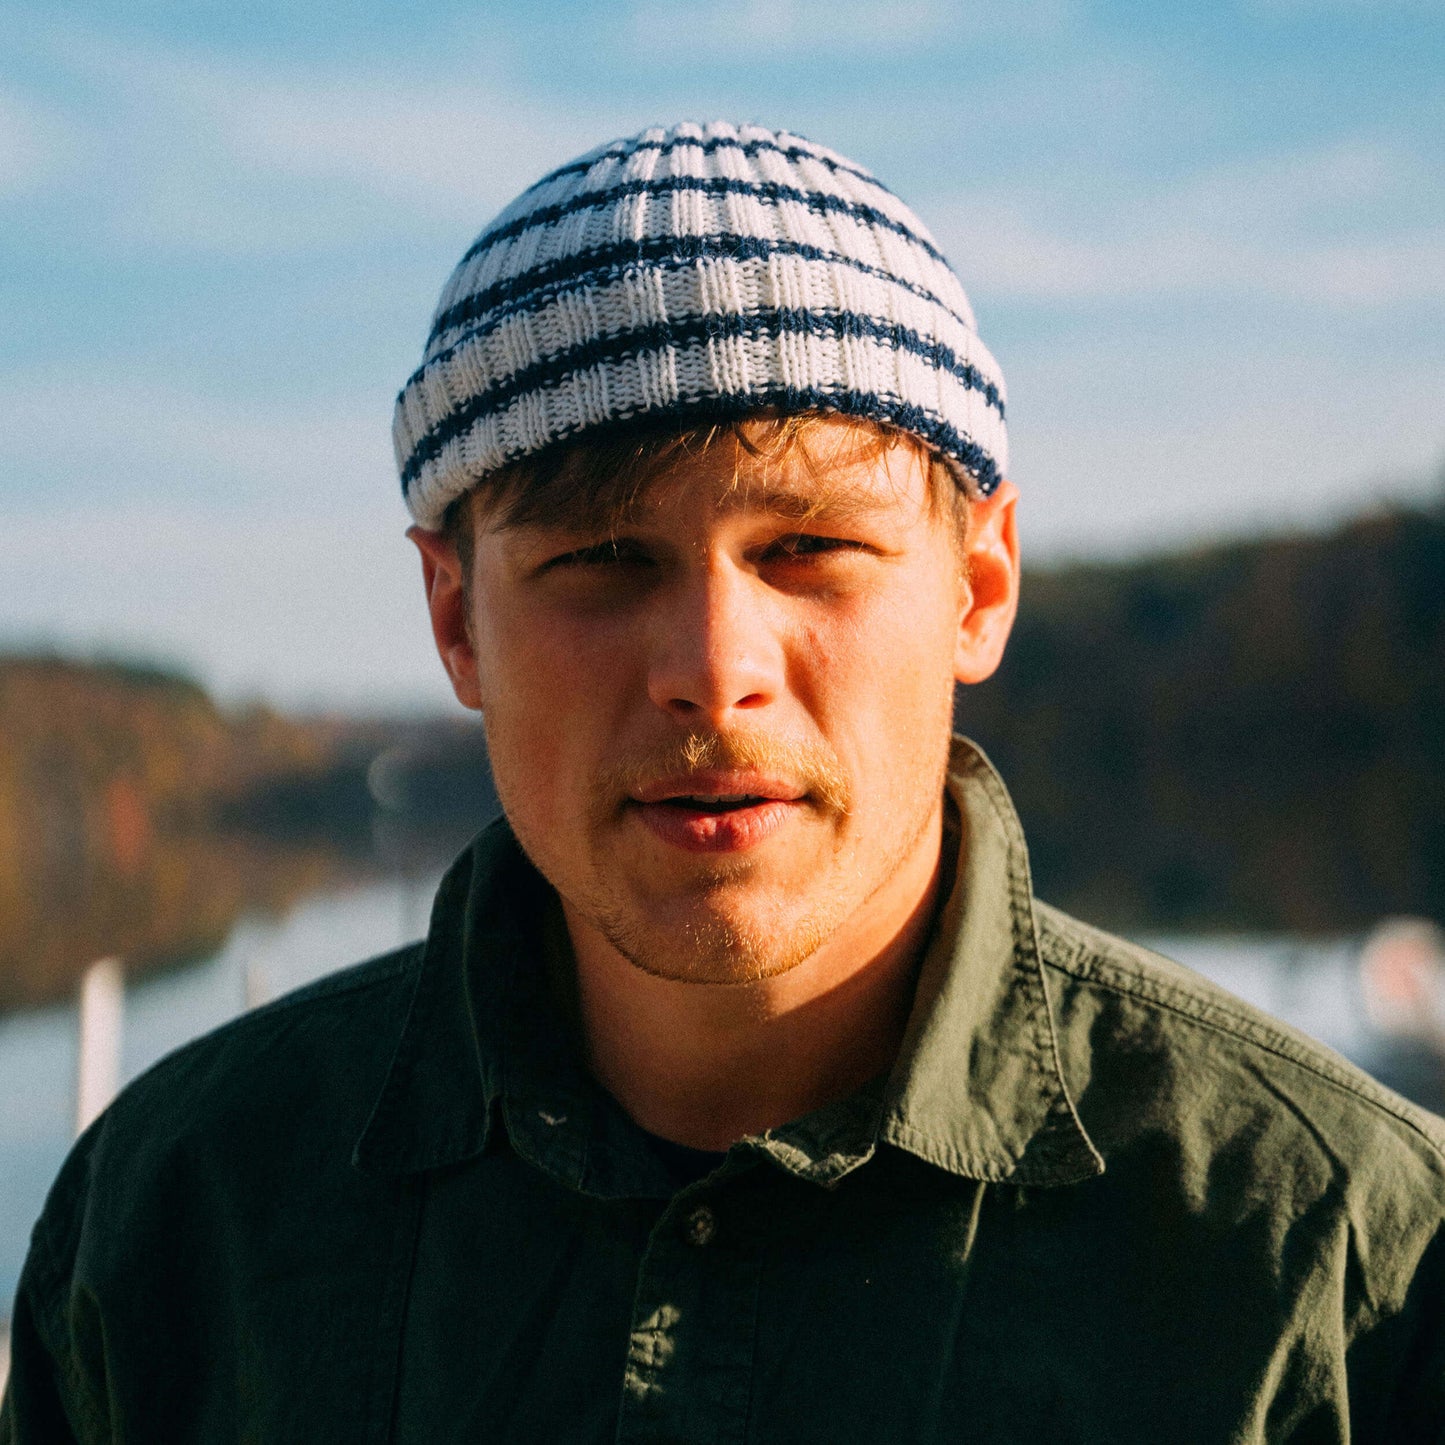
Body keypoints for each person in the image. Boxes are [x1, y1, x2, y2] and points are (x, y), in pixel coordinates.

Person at [3, 119, 1443, 1444]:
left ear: (978, 583)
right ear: (455, 618)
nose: (710, 667)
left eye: (807, 547)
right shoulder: (181, 1221)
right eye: (601, 560)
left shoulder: (1344, 1257)